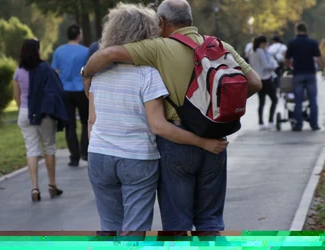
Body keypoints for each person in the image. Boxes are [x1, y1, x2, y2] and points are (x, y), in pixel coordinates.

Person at [82, 0, 262, 236]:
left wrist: (86, 75)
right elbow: (255, 83)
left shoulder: (160, 47)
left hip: (176, 143)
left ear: (162, 22)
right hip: (216, 139)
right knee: (209, 221)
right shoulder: (220, 45)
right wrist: (214, 109)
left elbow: (110, 53)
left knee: (177, 224)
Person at [13, 39, 69, 201]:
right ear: (36, 51)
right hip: (44, 113)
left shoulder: (18, 71)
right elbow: (55, 89)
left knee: (31, 150)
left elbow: (16, 96)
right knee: (49, 148)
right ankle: (52, 185)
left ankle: (35, 189)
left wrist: (23, 110)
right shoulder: (44, 69)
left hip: (24, 113)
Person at [52, 24, 89, 167]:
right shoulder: (85, 52)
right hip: (81, 90)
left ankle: (74, 157)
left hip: (65, 91)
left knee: (70, 124)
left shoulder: (59, 51)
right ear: (79, 35)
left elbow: (55, 71)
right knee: (86, 121)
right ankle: (85, 152)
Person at [285, 23, 325, 132]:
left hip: (298, 74)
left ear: (297, 30)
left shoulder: (292, 42)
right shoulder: (313, 42)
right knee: (313, 100)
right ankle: (314, 124)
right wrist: (323, 70)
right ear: (306, 30)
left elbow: (287, 59)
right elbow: (319, 58)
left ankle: (299, 125)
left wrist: (290, 67)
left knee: (298, 101)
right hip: (310, 74)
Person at [250, 35, 278, 130]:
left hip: (257, 79)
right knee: (274, 99)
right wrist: (273, 67)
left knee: (261, 102)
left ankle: (261, 123)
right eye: (265, 43)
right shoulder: (261, 52)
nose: (266, 45)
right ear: (261, 43)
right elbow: (265, 66)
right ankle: (270, 121)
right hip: (266, 79)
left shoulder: (252, 52)